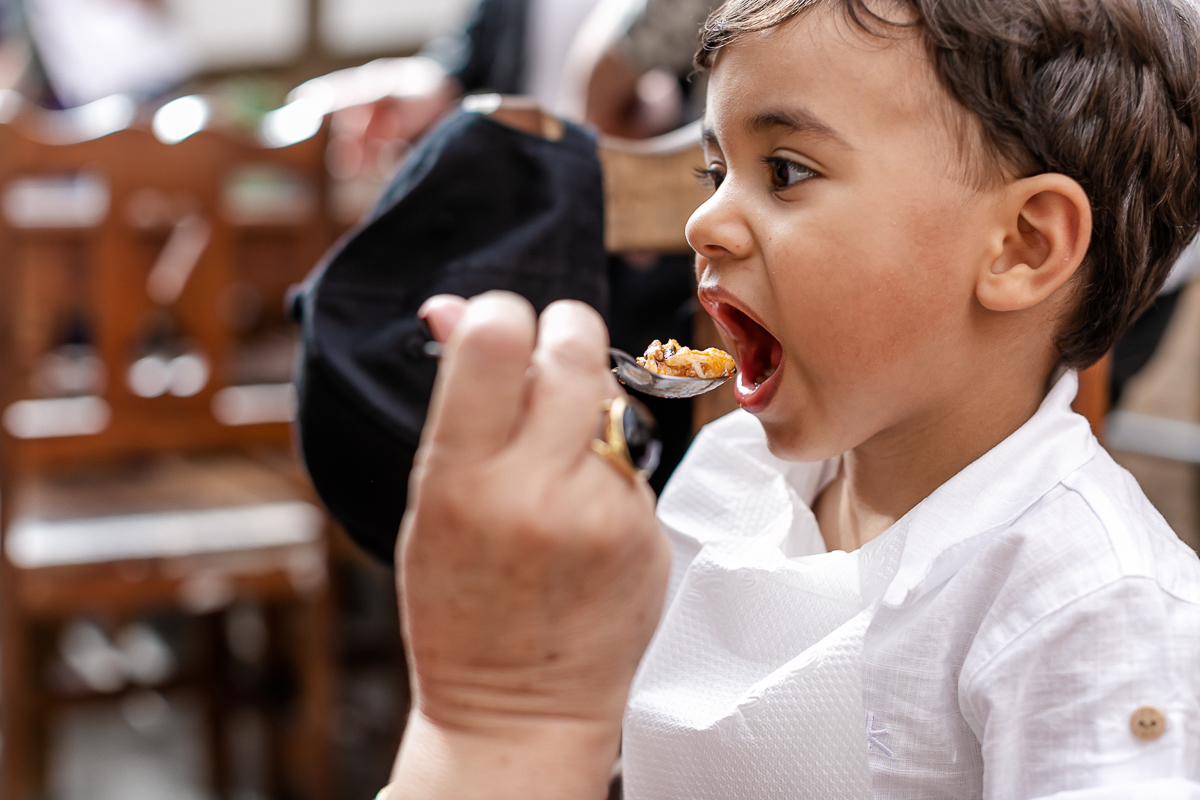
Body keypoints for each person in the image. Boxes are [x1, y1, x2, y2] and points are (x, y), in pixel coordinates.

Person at [377, 0, 1200, 797]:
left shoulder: (1092, 609)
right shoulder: (727, 469)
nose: (704, 220)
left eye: (786, 171)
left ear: (1022, 246)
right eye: (714, 171)